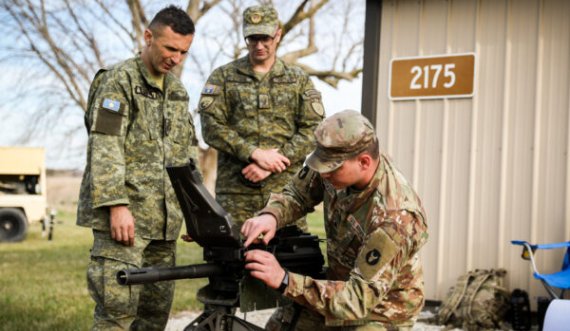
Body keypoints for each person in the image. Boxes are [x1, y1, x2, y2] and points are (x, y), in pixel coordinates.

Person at [241, 110, 429, 330]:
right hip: (339, 286)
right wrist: (271, 215)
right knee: (280, 326)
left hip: (382, 310)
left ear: (364, 162)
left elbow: (358, 300)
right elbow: (298, 194)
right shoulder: (338, 164)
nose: (323, 175)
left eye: (330, 169)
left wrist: (284, 280)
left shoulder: (396, 218)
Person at [76, 6, 197, 330]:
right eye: (170, 48)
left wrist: (195, 211)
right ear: (148, 37)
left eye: (184, 52)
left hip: (164, 228)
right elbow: (105, 144)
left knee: (153, 318)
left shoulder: (178, 92)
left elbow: (186, 155)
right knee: (116, 316)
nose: (176, 58)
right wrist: (116, 206)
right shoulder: (119, 81)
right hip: (125, 225)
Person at [199, 5, 325, 227]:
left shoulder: (298, 79)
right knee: (232, 257)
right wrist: (253, 153)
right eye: (252, 39)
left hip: (286, 194)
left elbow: (314, 129)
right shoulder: (223, 77)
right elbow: (211, 126)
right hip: (236, 194)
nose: (259, 45)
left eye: (265, 38)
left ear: (278, 34)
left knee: (288, 258)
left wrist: (272, 163)